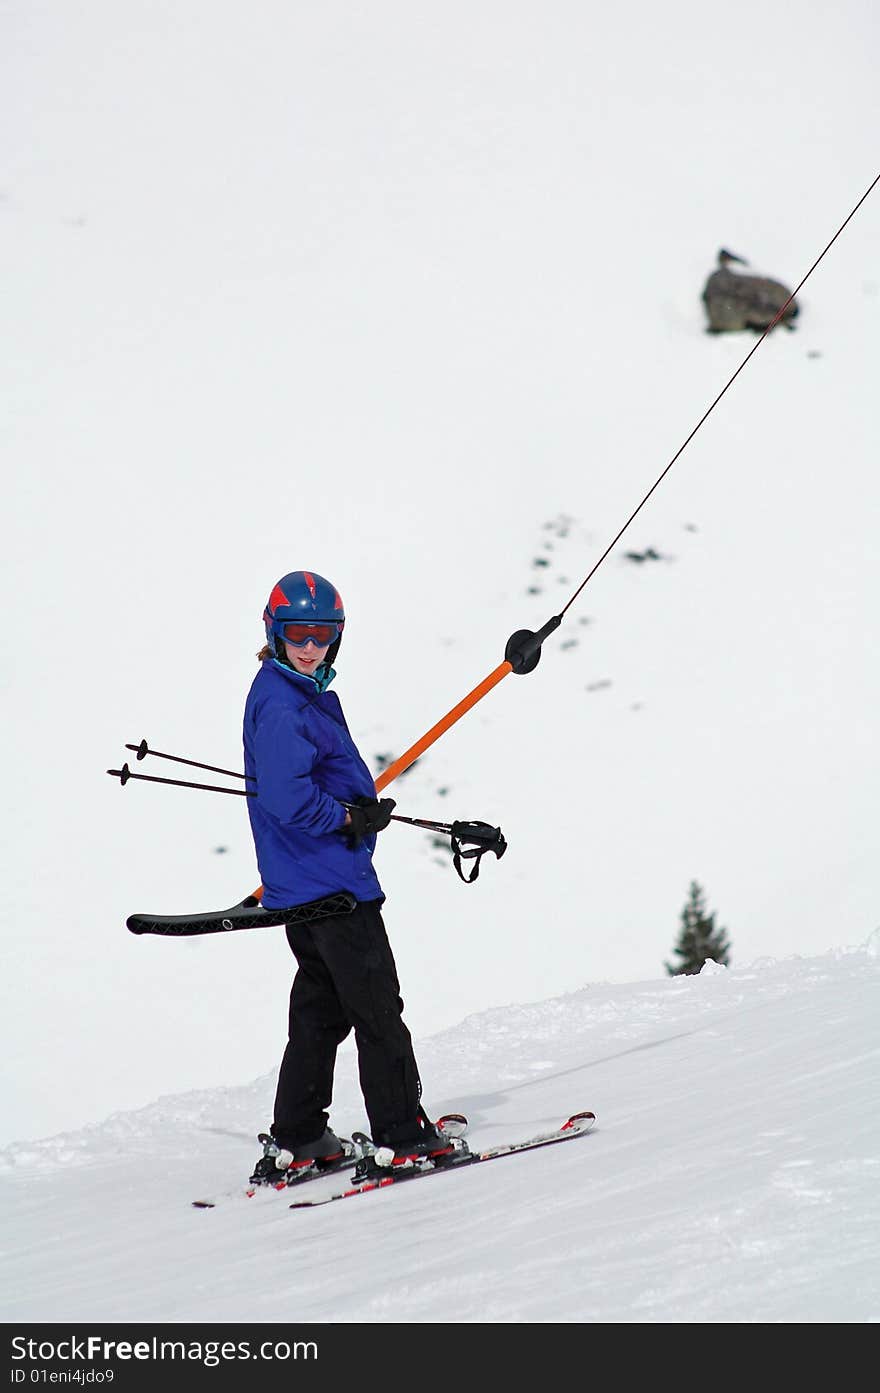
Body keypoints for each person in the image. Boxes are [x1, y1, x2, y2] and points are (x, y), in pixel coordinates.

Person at [243, 569, 451, 1186]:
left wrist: (356, 810)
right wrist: (349, 816)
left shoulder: (299, 690)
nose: (311, 646)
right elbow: (290, 799)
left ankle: (300, 1135)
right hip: (331, 885)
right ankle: (400, 1135)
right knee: (377, 1009)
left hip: (305, 883)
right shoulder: (284, 702)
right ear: (274, 632)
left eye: (324, 635)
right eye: (298, 633)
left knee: (321, 1010)